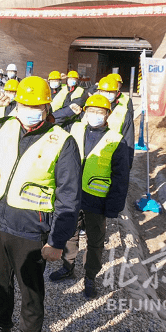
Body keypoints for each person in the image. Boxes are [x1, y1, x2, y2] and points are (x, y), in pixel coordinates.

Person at [0, 77, 81, 332]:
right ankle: (2, 324)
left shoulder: (62, 141)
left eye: (36, 106)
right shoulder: (6, 126)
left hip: (31, 231)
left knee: (31, 292)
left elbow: (69, 199)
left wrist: (57, 241)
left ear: (47, 108)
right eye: (24, 105)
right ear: (16, 105)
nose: (29, 111)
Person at [49, 95, 131, 299]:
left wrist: (113, 207)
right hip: (73, 196)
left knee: (95, 242)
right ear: (85, 112)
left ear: (107, 115)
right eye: (91, 111)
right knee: (70, 234)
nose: (94, 115)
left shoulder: (116, 140)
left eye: (99, 112)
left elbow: (121, 177)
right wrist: (70, 111)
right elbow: (52, 122)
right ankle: (68, 267)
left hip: (97, 200)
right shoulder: (74, 129)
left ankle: (90, 277)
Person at [96, 76, 135, 160]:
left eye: (111, 92)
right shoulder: (91, 109)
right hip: (94, 154)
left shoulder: (124, 113)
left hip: (115, 153)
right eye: (104, 91)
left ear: (117, 93)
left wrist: (127, 164)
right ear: (98, 92)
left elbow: (128, 140)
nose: (107, 95)